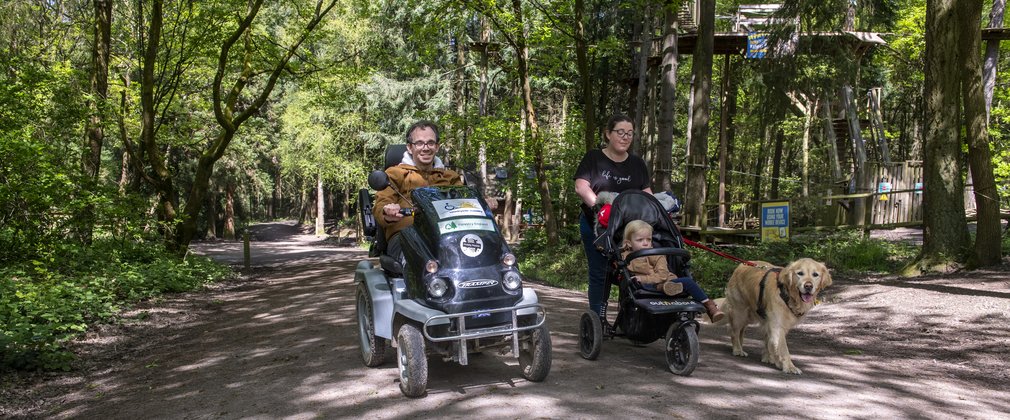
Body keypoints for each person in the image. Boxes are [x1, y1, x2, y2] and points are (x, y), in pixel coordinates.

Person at [573, 114, 651, 318]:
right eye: (620, 132)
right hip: (598, 226)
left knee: (632, 269)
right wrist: (602, 209)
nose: (625, 137)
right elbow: (581, 187)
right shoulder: (594, 158)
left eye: (630, 133)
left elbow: (647, 194)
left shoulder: (637, 164)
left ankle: (630, 318)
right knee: (601, 273)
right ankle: (597, 317)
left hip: (630, 229)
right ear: (608, 134)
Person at [373, 120, 462, 260]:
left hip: (448, 235)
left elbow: (465, 201)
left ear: (437, 147)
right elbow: (381, 203)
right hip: (406, 236)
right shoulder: (395, 174)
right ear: (409, 148)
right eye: (419, 143)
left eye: (430, 143)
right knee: (421, 260)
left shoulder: (451, 177)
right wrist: (387, 210)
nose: (425, 148)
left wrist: (483, 204)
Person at [621, 220, 725, 322]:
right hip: (643, 286)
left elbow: (663, 275)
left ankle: (710, 307)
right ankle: (667, 288)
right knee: (638, 283)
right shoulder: (625, 257)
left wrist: (644, 279)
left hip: (664, 280)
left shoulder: (656, 254)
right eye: (640, 240)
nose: (645, 243)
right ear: (629, 243)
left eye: (648, 240)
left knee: (687, 281)